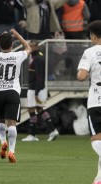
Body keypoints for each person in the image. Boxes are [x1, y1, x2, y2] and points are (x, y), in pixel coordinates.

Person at [0, 29, 31, 163]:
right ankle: (11, 151)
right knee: (12, 124)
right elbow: (28, 48)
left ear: (0, 45)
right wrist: (18, 35)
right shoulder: (18, 55)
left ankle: (3, 141)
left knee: (0, 121)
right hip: (12, 92)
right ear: (11, 45)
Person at [77, 20, 101, 184]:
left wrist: (81, 72)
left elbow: (82, 76)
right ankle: (99, 179)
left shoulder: (90, 52)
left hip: (96, 102)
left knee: (97, 140)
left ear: (93, 36)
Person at [21, 40, 59, 142]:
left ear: (36, 47)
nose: (29, 48)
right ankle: (52, 130)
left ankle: (32, 135)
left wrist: (37, 92)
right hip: (38, 87)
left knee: (32, 109)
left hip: (35, 88)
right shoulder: (36, 56)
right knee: (40, 109)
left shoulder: (37, 58)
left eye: (30, 46)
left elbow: (39, 76)